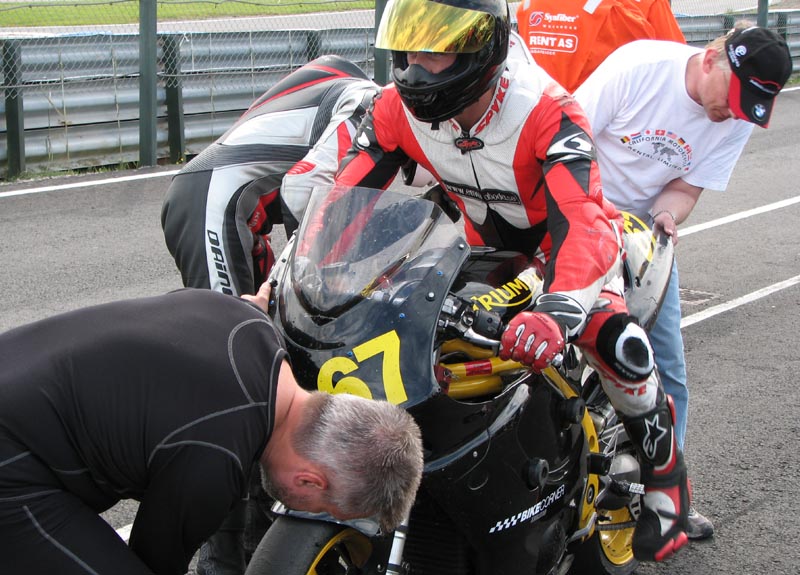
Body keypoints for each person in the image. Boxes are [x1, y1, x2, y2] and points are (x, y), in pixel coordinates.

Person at [333, 0, 690, 562]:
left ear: (485, 46)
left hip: (563, 251)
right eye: (410, 48)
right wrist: (284, 288)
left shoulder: (546, 109)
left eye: (438, 50)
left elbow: (585, 223)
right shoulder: (393, 108)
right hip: (479, 249)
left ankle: (667, 476)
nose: (418, 69)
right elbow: (338, 207)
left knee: (615, 338)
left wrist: (558, 310)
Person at [0, 288, 423, 575]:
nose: (314, 515)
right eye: (325, 509)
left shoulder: (250, 321)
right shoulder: (215, 459)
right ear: (310, 480)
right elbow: (155, 560)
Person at [573, 22, 793, 540]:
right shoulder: (639, 68)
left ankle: (668, 498)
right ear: (713, 59)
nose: (732, 114)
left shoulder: (735, 118)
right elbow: (567, 142)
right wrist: (590, 215)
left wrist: (667, 218)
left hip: (643, 236)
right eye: (733, 99)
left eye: (747, 108)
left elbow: (686, 187)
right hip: (579, 213)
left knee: (666, 366)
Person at [161, 55, 381, 297]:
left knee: (267, 315)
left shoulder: (340, 85)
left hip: (229, 204)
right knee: (228, 318)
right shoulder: (369, 105)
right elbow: (303, 186)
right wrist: (319, 273)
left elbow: (344, 215)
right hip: (211, 202)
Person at [516, 0, 685, 93]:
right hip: (600, 121)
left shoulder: (529, 6)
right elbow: (679, 65)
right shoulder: (617, 12)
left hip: (538, 112)